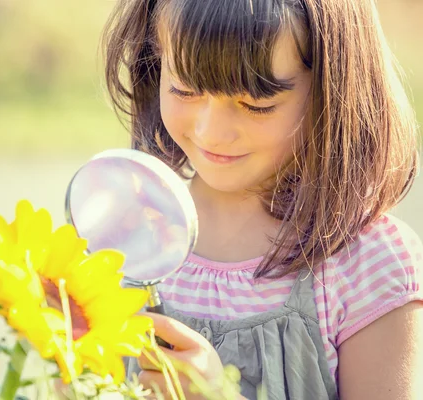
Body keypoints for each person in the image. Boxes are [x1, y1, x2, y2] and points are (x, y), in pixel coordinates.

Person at [101, 0, 423, 398]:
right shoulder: (124, 236)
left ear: (332, 89)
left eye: (256, 105)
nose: (212, 131)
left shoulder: (364, 264)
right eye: (185, 89)